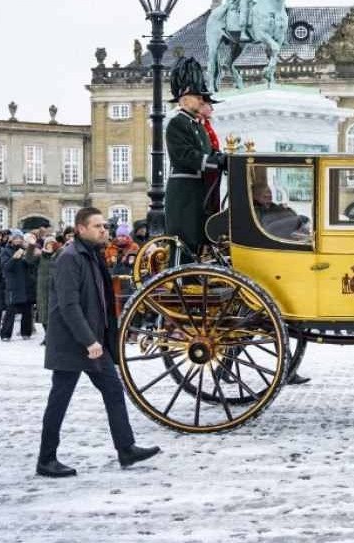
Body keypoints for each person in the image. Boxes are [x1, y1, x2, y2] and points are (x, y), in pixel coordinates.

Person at [37, 207, 160, 477]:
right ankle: (46, 459)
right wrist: (89, 340)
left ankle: (126, 448)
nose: (104, 230)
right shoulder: (69, 258)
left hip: (93, 342)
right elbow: (68, 306)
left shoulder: (91, 254)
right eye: (98, 226)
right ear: (81, 229)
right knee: (59, 400)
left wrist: (101, 339)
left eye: (105, 226)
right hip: (74, 343)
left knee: (114, 391)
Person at [165, 57, 225, 256]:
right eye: (197, 96)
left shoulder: (195, 125)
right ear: (183, 99)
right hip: (185, 191)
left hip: (198, 190)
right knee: (185, 238)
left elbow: (207, 152)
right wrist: (214, 162)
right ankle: (182, 279)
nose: (201, 100)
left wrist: (221, 158)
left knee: (198, 236)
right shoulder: (177, 123)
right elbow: (185, 155)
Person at [1, 233, 36, 341]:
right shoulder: (6, 251)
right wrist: (14, 258)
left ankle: (26, 332)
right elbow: (6, 267)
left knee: (27, 310)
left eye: (20, 239)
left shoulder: (26, 250)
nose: (18, 241)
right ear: (11, 240)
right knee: (10, 311)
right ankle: (6, 334)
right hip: (14, 284)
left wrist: (30, 248)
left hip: (26, 284)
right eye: (16, 238)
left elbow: (31, 263)